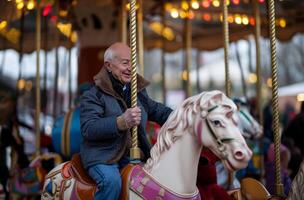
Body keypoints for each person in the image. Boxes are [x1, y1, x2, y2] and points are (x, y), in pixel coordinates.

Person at [80, 42, 173, 200]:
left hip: (133, 156)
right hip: (104, 156)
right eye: (125, 63)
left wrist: (184, 116)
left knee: (159, 180)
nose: (131, 67)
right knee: (111, 182)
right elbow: (89, 128)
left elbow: (157, 110)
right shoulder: (94, 95)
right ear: (108, 66)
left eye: (133, 62)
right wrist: (120, 122)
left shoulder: (136, 91)